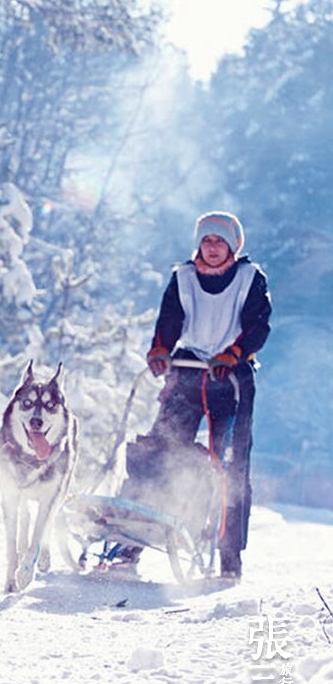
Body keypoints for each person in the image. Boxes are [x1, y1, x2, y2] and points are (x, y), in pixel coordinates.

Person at [117, 211, 272, 579]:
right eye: (207, 240)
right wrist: (160, 350)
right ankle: (131, 538)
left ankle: (228, 555)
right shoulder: (183, 277)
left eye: (220, 241)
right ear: (198, 244)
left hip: (231, 376)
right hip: (189, 371)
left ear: (233, 246)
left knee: (228, 466)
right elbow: (170, 320)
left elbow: (258, 325)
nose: (213, 247)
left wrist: (234, 353)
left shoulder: (250, 278)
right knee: (159, 449)